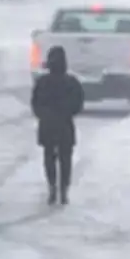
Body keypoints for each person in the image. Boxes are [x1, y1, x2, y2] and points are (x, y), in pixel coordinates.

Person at [30, 45, 85, 205]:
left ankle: (52, 186)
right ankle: (64, 190)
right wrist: (67, 113)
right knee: (65, 159)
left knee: (49, 157)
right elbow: (78, 104)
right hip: (65, 125)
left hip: (47, 125)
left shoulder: (42, 82)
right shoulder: (72, 82)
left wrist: (44, 115)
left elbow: (35, 103)